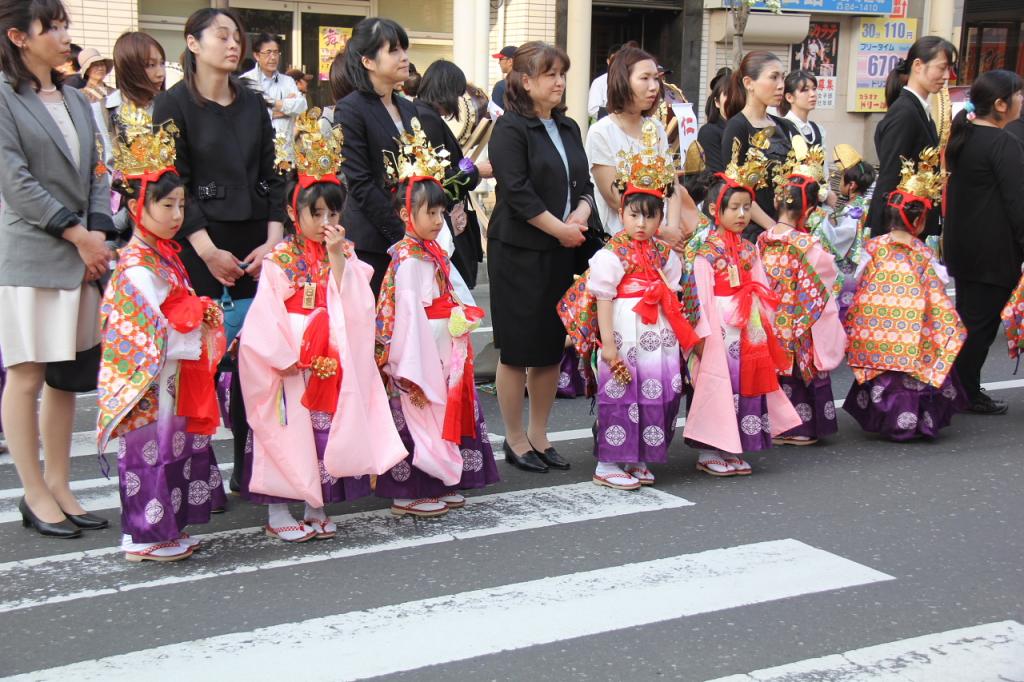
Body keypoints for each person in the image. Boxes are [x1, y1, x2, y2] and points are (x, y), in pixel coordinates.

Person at [239, 111, 406, 540]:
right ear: (294, 213)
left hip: (330, 356)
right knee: (284, 430)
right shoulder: (280, 259)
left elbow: (356, 304)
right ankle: (278, 511)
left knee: (319, 433)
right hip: (292, 359)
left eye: (332, 211)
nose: (324, 221)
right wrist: (283, 356)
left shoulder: (345, 252)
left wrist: (336, 258)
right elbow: (265, 317)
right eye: (315, 213)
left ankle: (315, 504)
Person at [153, 7, 286, 494]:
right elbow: (173, 183)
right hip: (198, 245)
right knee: (198, 363)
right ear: (192, 43)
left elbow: (275, 174)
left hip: (256, 243)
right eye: (223, 36)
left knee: (257, 361)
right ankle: (195, 475)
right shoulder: (173, 105)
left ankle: (250, 464)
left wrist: (274, 240)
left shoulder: (253, 103)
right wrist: (206, 250)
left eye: (238, 38)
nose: (234, 45)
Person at [0, 0, 115, 539]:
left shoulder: (74, 97)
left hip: (81, 252)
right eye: (55, 26)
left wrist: (95, 230)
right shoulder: (3, 96)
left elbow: (98, 169)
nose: (66, 35)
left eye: (66, 24)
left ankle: (62, 484)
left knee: (66, 378)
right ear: (20, 37)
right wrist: (77, 233)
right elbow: (16, 182)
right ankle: (34, 492)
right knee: (27, 374)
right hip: (34, 252)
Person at [98, 103, 227, 561]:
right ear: (136, 207)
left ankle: (164, 529)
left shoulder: (164, 256)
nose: (176, 215)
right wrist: (194, 322)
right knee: (146, 452)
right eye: (166, 205)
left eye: (180, 206)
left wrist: (199, 313)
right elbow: (144, 327)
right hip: (149, 375)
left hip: (170, 369)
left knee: (169, 448)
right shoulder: (134, 264)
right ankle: (142, 536)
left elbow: (176, 309)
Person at [375, 123, 499, 516]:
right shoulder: (410, 259)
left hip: (439, 341)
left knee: (439, 412)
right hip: (420, 348)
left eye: (440, 212)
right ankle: (409, 490)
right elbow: (407, 317)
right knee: (419, 410)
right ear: (404, 213)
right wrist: (411, 365)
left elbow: (446, 298)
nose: (436, 220)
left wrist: (459, 317)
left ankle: (439, 480)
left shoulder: (429, 253)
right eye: (429, 212)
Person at [569, 121, 698, 490]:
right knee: (622, 391)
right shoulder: (613, 252)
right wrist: (607, 344)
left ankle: (639, 454)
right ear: (622, 213)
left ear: (661, 217)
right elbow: (603, 298)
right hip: (625, 330)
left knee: (658, 388)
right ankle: (609, 461)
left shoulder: (662, 252)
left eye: (651, 215)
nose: (642, 223)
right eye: (634, 214)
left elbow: (674, 291)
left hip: (659, 332)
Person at [488, 41, 594, 474]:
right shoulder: (510, 129)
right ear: (525, 81)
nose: (558, 81)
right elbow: (516, 192)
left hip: (561, 246)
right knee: (517, 349)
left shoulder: (568, 127)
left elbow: (583, 182)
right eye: (549, 74)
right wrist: (561, 228)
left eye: (561, 73)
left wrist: (581, 215)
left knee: (551, 346)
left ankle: (540, 433)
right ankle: (514, 438)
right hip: (518, 250)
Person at [681, 138, 801, 476]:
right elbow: (697, 297)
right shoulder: (704, 249)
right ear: (715, 209)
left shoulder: (749, 249)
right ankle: (708, 450)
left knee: (743, 383)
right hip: (718, 325)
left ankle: (733, 446)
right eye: (733, 207)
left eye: (746, 207)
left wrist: (766, 324)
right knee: (716, 383)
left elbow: (762, 289)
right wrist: (701, 334)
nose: (741, 214)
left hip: (747, 326)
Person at [844, 147, 968, 440]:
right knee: (920, 360)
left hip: (877, 331)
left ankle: (884, 419)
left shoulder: (873, 248)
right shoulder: (923, 254)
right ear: (920, 222)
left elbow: (856, 283)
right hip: (913, 336)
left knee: (883, 371)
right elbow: (937, 296)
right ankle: (913, 422)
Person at [944, 69, 1024, 415]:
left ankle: (960, 386)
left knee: (969, 320)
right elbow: (1017, 203)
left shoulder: (966, 134)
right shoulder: (1003, 143)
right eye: (1019, 95)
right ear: (1001, 104)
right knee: (979, 326)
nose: (1022, 101)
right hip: (993, 251)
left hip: (964, 245)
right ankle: (964, 391)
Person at [757, 138, 845, 446]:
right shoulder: (808, 244)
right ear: (807, 211)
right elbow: (826, 281)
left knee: (777, 370)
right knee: (799, 369)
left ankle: (777, 425)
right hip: (799, 318)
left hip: (771, 316)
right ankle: (801, 427)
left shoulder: (764, 240)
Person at [333, 17, 417, 295]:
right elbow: (360, 182)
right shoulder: (351, 109)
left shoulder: (408, 108)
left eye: (404, 49)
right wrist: (402, 232)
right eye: (393, 50)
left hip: (414, 237)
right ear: (368, 61)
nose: (404, 57)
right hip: (373, 242)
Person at [584, 45, 686, 239]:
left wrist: (672, 228)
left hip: (661, 240)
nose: (654, 86)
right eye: (644, 78)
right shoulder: (601, 132)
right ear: (623, 81)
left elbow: (671, 185)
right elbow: (616, 200)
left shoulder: (655, 127)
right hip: (621, 242)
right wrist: (662, 232)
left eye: (656, 78)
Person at [414, 59, 492, 291]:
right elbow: (443, 177)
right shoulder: (428, 119)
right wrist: (477, 170)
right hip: (444, 217)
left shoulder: (420, 113)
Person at [867, 36, 956, 237]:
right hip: (900, 231)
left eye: (948, 69)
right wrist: (884, 236)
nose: (946, 76)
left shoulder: (918, 111)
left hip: (914, 226)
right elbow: (890, 177)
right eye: (941, 68)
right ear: (918, 65)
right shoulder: (905, 112)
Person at [720, 51, 795, 241]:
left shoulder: (785, 126)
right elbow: (735, 187)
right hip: (752, 232)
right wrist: (773, 229)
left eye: (782, 77)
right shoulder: (738, 126)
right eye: (773, 77)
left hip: (786, 227)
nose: (781, 85)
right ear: (748, 83)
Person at [807, 143, 875, 320]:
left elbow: (838, 239)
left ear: (851, 185)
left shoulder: (853, 211)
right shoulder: (865, 205)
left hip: (849, 270)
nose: (839, 180)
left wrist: (818, 218)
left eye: (842, 177)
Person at [243, 33, 307, 160]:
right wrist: (285, 110)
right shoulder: (246, 82)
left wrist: (273, 104)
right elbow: (247, 116)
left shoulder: (288, 81)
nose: (273, 57)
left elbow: (302, 106)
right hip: (256, 156)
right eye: (268, 52)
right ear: (256, 55)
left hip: (285, 156)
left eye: (276, 52)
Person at [779, 70, 835, 206]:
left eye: (814, 89)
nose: (812, 94)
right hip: (793, 201)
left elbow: (824, 170)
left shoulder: (818, 130)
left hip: (818, 203)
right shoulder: (782, 127)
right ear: (789, 97)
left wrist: (827, 191)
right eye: (805, 90)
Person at [587, 41, 636, 121]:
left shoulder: (631, 80)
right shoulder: (599, 82)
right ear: (608, 61)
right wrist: (617, 115)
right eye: (613, 60)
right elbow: (592, 109)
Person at [698, 67, 731, 174]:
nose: (733, 98)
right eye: (727, 94)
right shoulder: (709, 132)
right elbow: (717, 175)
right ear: (716, 102)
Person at [491, 44, 515, 109]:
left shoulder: (501, 86)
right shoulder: (529, 83)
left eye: (500, 59)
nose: (499, 62)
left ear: (510, 61)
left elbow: (495, 114)